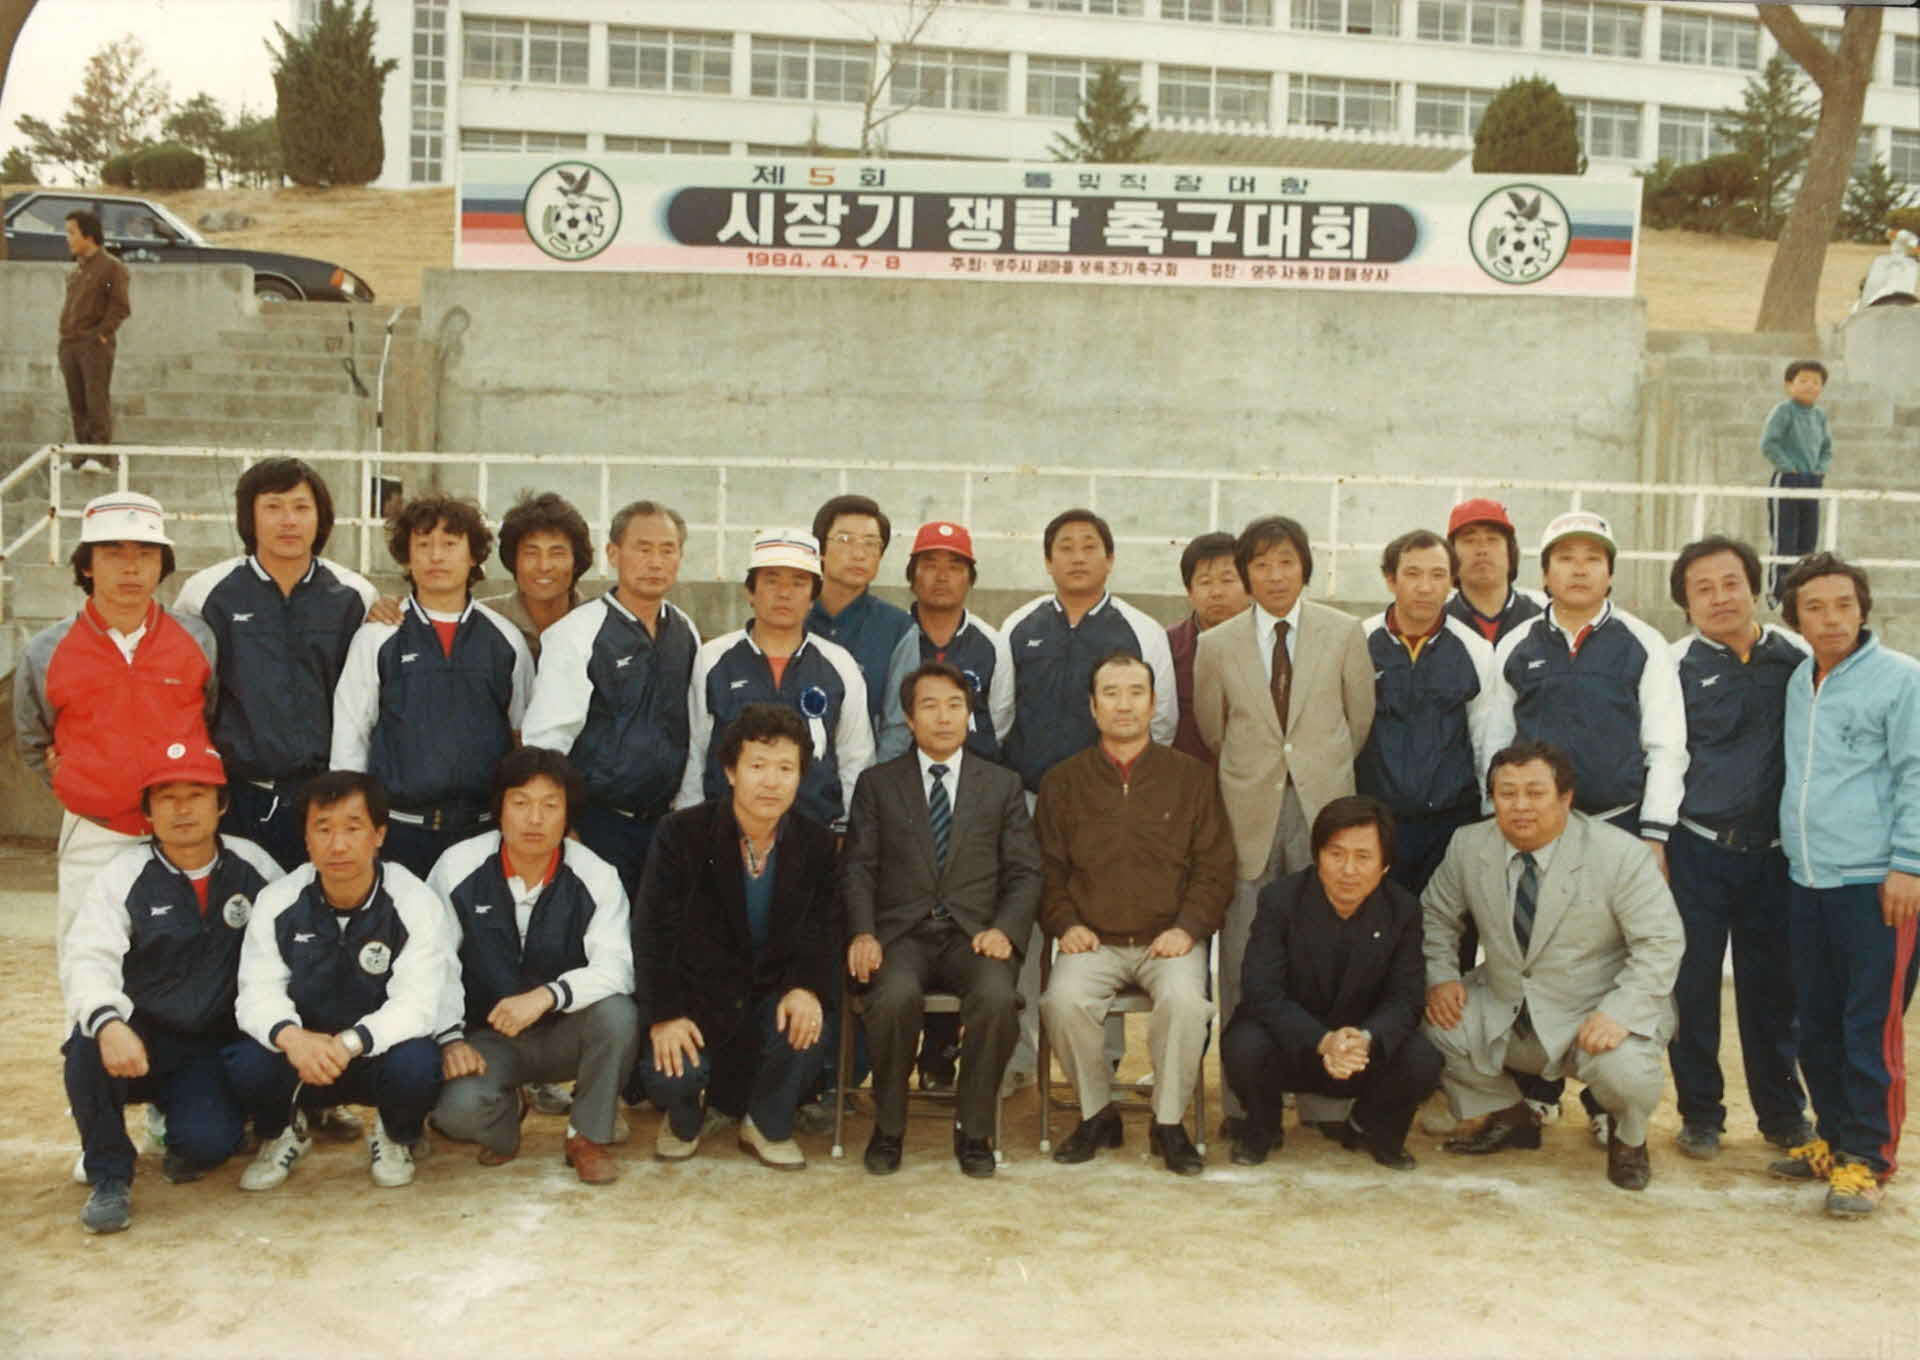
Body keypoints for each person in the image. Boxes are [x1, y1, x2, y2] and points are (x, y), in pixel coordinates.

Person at [1422, 741, 1684, 1192]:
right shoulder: (1468, 845)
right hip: (1509, 1005)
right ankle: (1514, 1118)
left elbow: (1660, 942)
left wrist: (1619, 1013)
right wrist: (1443, 977)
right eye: (1507, 793)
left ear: (1566, 798)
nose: (1520, 806)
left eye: (1535, 792)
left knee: (1626, 1071)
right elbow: (1437, 916)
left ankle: (1629, 1140)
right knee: (1431, 1026)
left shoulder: (1620, 854)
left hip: (1595, 1011)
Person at [1192, 514, 1374, 1133]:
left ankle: (1326, 1101)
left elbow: (1358, 721)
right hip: (1247, 816)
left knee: (1326, 958)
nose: (1274, 576)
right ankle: (1247, 1105)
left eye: (1286, 562)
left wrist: (1314, 771)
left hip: (1324, 812)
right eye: (1262, 565)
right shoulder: (1216, 645)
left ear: (1305, 567)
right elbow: (1214, 730)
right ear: (1246, 574)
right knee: (1245, 957)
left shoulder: (1344, 632)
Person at [59, 741, 283, 1233]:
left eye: (196, 794)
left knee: (205, 1146)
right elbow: (88, 956)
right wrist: (109, 1021)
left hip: (207, 1045)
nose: (182, 809)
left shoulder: (254, 866)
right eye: (166, 798)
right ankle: (110, 1173)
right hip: (138, 1039)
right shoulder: (124, 873)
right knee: (85, 1045)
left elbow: (291, 946)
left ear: (221, 803)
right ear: (148, 811)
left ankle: (192, 1123)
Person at [1037, 653, 1235, 1175]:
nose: (1123, 704)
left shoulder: (1191, 778)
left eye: (1135, 692)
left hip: (1167, 939)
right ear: (1092, 706)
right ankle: (1097, 1113)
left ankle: (1168, 1124)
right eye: (1110, 693)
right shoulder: (1062, 782)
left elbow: (1215, 867)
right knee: (1061, 1001)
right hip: (1092, 940)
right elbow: (1045, 870)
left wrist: (1187, 928)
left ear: (1153, 703)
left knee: (1187, 1004)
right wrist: (1065, 923)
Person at [843, 663, 1042, 1177]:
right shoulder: (877, 784)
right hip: (901, 936)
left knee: (998, 999)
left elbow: (1025, 873)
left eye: (955, 704)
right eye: (929, 706)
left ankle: (974, 1130)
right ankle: (889, 1127)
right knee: (891, 999)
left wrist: (1005, 930)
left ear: (970, 713)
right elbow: (859, 869)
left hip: (974, 936)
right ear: (908, 718)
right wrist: (864, 933)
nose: (943, 716)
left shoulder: (1000, 784)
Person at [1002, 508, 1177, 1083]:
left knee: (1096, 928)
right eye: (1066, 547)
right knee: (1025, 925)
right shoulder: (1018, 627)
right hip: (1030, 804)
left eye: (1090, 546)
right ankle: (1020, 1059)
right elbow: (1001, 716)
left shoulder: (1141, 630)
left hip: (1108, 807)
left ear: (1110, 558)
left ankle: (1098, 1064)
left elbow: (1164, 720)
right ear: (1048, 560)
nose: (1078, 557)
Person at [1770, 554, 1920, 1218]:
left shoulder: (1902, 680)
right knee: (1818, 1021)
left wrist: (1908, 864)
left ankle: (1868, 1156)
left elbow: (1917, 775)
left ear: (1863, 609)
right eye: (1814, 607)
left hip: (1876, 885)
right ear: (1795, 616)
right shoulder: (1801, 679)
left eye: (1842, 604)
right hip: (1808, 878)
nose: (1830, 618)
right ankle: (1832, 1138)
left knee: (1869, 1022)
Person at [15, 492, 218, 972]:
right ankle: (86, 1048)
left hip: (181, 827)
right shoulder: (46, 649)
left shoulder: (198, 638)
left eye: (145, 554)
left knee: (176, 963)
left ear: (162, 565)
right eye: (113, 553)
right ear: (86, 565)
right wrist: (77, 785)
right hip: (94, 829)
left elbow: (212, 718)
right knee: (87, 956)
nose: (131, 568)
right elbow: (32, 739)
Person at [227, 772, 458, 1191]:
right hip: (303, 1055)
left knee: (419, 1062)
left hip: (372, 1054)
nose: (338, 845)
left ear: (379, 835)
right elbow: (257, 992)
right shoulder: (278, 900)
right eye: (324, 829)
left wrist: (350, 1043)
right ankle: (282, 1132)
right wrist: (294, 1039)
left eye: (353, 829)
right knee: (246, 1061)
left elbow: (418, 1004)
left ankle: (394, 1133)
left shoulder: (414, 901)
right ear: (306, 838)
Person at [633, 705, 837, 1171]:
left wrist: (806, 988)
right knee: (671, 1076)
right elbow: (652, 933)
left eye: (785, 768)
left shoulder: (817, 843)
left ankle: (765, 1123)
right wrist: (665, 1014)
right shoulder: (681, 834)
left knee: (810, 1023)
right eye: (757, 766)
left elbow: (823, 930)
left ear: (800, 776)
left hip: (769, 1004)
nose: (771, 781)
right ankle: (684, 1118)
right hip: (697, 1000)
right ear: (730, 771)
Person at [427, 747, 638, 1184]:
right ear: (499, 809)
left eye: (550, 805)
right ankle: (506, 1121)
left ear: (568, 814)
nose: (534, 819)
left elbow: (618, 966)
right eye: (521, 803)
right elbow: (433, 961)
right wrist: (449, 1040)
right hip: (490, 1036)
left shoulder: (596, 875)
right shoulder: (458, 867)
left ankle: (587, 1135)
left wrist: (548, 995)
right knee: (456, 1112)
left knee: (619, 1014)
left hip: (566, 1030)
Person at [1664, 536, 1811, 1162]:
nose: (1720, 598)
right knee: (1691, 986)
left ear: (1753, 587)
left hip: (1775, 855)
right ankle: (1701, 1113)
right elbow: (1662, 755)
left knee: (1773, 989)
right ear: (1686, 604)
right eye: (1703, 588)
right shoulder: (1671, 665)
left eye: (1730, 583)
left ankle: (1782, 1113)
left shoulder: (1798, 656)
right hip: (1696, 848)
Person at [173, 458, 376, 872]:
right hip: (239, 796)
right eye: (273, 507)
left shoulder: (354, 595)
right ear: (249, 515)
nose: (289, 521)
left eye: (301, 508)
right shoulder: (206, 593)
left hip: (323, 797)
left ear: (320, 519)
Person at [1220, 796, 1441, 1170]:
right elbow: (1262, 990)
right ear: (1317, 855)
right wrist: (1323, 1041)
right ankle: (1262, 1128)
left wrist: (1365, 1038)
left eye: (1363, 856)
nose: (1348, 870)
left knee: (1423, 1058)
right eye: (1336, 854)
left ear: (1385, 864)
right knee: (1243, 1042)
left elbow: (1405, 998)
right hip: (1298, 1046)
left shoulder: (1402, 910)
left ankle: (1372, 1128)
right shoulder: (1280, 900)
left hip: (1360, 1052)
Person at [331, 494, 535, 877]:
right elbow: (350, 740)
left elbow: (522, 735)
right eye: (423, 545)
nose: (436, 557)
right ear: (407, 557)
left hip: (483, 832)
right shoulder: (377, 636)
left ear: (473, 555)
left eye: (450, 544)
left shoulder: (506, 640)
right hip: (399, 832)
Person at [521, 500, 701, 895]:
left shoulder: (684, 630)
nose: (655, 562)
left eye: (667, 550)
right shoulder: (578, 633)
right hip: (596, 825)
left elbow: (692, 729)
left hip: (663, 826)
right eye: (643, 548)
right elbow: (547, 741)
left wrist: (687, 818)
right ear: (614, 554)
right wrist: (563, 827)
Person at [679, 529, 872, 835]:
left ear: (813, 596)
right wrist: (690, 827)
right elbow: (695, 751)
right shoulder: (713, 659)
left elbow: (855, 757)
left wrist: (846, 831)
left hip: (815, 835)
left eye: (798, 583)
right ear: (750, 591)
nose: (784, 593)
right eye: (772, 580)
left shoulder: (839, 664)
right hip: (724, 833)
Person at [1357, 529, 1499, 897]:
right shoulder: (1357, 642)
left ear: (1452, 581)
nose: (1425, 587)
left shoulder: (1476, 650)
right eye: (1413, 574)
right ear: (1391, 579)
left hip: (1451, 823)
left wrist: (1490, 817)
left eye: (1437, 575)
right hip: (1375, 822)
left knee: (1448, 936)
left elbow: (1487, 739)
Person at [874, 520, 1015, 766]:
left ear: (970, 578)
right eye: (930, 566)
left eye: (954, 567)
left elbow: (999, 719)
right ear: (912, 576)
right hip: (902, 778)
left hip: (973, 780)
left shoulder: (992, 642)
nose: (941, 577)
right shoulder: (894, 635)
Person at [806, 494, 913, 733]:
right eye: (845, 540)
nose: (859, 554)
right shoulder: (793, 617)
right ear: (820, 549)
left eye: (871, 543)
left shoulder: (898, 628)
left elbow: (897, 726)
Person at [478, 490, 594, 658]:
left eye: (557, 553)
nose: (544, 566)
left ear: (576, 561)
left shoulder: (601, 623)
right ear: (513, 560)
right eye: (531, 553)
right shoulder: (483, 620)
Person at [57, 209, 131, 474]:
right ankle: (81, 454)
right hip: (70, 343)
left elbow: (120, 307)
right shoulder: (77, 270)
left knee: (95, 399)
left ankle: (100, 456)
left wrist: (100, 336)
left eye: (72, 233)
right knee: (77, 402)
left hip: (93, 344)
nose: (68, 239)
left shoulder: (112, 267)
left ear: (88, 235)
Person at [1166, 531, 1248, 764]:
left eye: (1227, 580)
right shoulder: (1168, 647)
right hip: (1187, 779)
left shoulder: (1271, 643)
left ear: (1248, 585)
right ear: (1189, 592)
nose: (1216, 592)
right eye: (1205, 582)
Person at [1761, 360, 1833, 602]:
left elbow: (1826, 449)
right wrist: (1789, 468)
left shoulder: (1820, 417)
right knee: (1785, 537)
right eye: (1803, 381)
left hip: (1812, 481)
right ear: (1789, 385)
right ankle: (1777, 591)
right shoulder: (1784, 411)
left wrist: (1819, 471)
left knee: (1808, 538)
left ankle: (1802, 590)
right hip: (1787, 479)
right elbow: (1769, 443)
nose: (1810, 386)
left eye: (1815, 382)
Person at [1443, 497, 1543, 645]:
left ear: (1510, 551)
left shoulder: (1543, 614)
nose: (1482, 549)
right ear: (1451, 554)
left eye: (1492, 539)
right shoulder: (1436, 620)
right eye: (1470, 540)